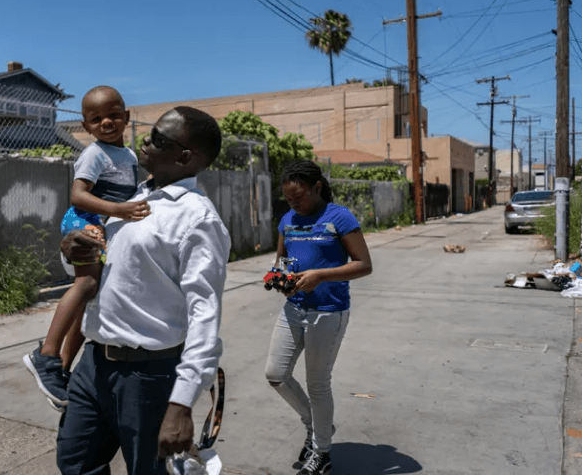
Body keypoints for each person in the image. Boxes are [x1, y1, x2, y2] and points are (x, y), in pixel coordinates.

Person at [56, 106, 230, 475]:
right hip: (95, 364)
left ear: (184, 156)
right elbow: (105, 268)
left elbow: (205, 316)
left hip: (150, 375)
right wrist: (74, 249)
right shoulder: (133, 198)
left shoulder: (197, 218)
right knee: (75, 461)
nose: (144, 142)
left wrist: (181, 404)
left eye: (158, 139)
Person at [24, 86, 151, 412]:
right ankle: (46, 355)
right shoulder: (94, 154)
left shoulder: (129, 155)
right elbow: (78, 196)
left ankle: (62, 371)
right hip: (82, 223)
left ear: (127, 116)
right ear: (86, 125)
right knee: (86, 284)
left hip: (101, 225)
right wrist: (119, 211)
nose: (106, 122)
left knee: (88, 305)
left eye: (113, 115)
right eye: (96, 119)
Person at [264, 159, 373, 475]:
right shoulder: (287, 220)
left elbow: (364, 264)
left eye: (299, 196)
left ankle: (321, 452)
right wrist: (278, 278)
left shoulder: (339, 217)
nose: (294, 203)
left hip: (328, 312)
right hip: (294, 309)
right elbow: (281, 261)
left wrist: (320, 276)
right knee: (275, 373)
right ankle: (315, 425)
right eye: (288, 198)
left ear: (317, 187)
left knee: (317, 384)